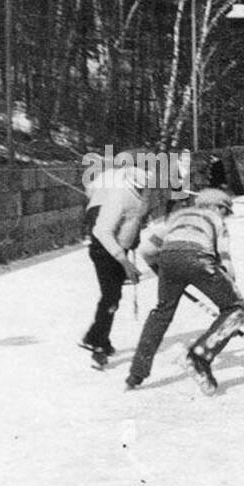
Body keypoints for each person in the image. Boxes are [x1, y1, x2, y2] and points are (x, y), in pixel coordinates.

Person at [125, 188, 244, 395]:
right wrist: (230, 291)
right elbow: (225, 258)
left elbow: (147, 250)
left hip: (168, 259)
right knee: (236, 309)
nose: (226, 216)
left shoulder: (177, 216)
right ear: (218, 206)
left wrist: (163, 271)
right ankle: (199, 356)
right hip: (199, 258)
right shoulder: (216, 220)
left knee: (161, 313)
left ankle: (137, 372)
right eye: (226, 211)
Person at [80, 153, 163, 367]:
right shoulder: (121, 193)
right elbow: (102, 231)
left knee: (112, 297)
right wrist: (125, 262)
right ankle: (98, 346)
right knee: (111, 296)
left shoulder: (135, 189)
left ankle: (95, 337)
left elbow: (132, 220)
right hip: (104, 243)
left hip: (113, 239)